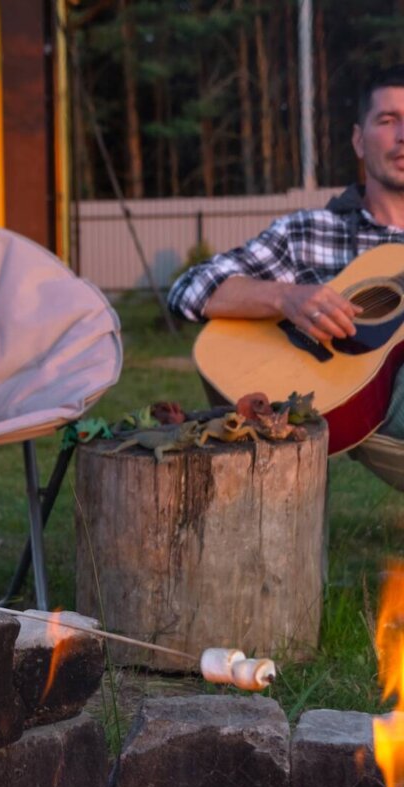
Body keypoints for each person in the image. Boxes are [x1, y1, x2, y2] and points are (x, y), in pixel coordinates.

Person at [168, 64, 404, 485]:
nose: (403, 135)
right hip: (342, 401)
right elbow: (191, 288)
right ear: (357, 139)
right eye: (388, 121)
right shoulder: (309, 232)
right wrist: (286, 297)